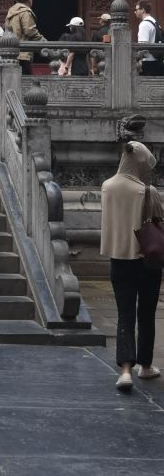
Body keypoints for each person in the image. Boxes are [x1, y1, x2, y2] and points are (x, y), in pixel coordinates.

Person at [101, 141, 163, 390]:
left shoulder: (107, 187)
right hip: (147, 261)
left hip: (119, 260)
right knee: (146, 314)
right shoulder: (147, 191)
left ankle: (125, 371)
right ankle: (145, 366)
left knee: (124, 314)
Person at [4, 0, 45, 76]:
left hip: (11, 51)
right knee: (26, 80)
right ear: (29, 0)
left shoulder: (10, 12)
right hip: (23, 53)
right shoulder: (25, 12)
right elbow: (30, 31)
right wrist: (44, 42)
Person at [135, 0, 164, 76]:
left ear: (143, 10)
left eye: (136, 9)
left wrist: (138, 60)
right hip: (158, 60)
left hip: (148, 62)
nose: (135, 12)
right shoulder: (155, 22)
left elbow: (143, 45)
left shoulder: (144, 24)